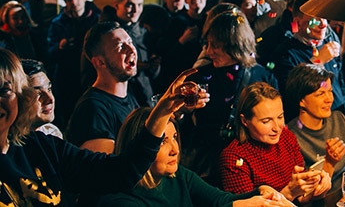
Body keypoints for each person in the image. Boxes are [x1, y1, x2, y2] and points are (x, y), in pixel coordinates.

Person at [0, 46, 205, 206]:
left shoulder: (42, 147)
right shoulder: (93, 107)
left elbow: (120, 172)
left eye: (4, 90)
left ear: (20, 96)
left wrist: (161, 112)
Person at [98, 107, 291, 207]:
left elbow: (219, 200)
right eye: (162, 142)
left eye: (175, 138)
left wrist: (260, 193)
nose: (175, 149)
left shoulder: (178, 176)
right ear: (138, 147)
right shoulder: (120, 200)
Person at [181, 11, 277, 181]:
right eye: (207, 44)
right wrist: (186, 109)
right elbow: (183, 127)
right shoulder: (199, 77)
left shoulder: (262, 77)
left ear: (235, 45)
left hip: (250, 165)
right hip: (210, 168)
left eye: (215, 45)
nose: (209, 51)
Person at [218, 82, 331, 203]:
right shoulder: (233, 157)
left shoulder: (286, 137)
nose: (277, 127)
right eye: (266, 121)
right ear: (245, 121)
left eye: (280, 117)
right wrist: (288, 193)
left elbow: (300, 199)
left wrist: (317, 191)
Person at [67, 22, 142, 153]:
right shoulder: (93, 109)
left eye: (130, 42)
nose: (131, 49)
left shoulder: (127, 96)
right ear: (99, 62)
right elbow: (102, 169)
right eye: (120, 46)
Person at [272, 0, 345, 111]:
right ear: (298, 22)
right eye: (316, 19)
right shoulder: (285, 54)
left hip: (338, 116)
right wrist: (317, 62)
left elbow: (340, 83)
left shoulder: (330, 44)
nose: (323, 25)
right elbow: (292, 95)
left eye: (324, 18)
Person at [89, 0, 160, 106]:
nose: (136, 10)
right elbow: (89, 74)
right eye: (129, 5)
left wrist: (153, 66)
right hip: (118, 100)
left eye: (139, 5)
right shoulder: (102, 36)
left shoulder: (145, 32)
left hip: (145, 98)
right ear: (117, 5)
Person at [46, 0, 100, 126]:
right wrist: (59, 46)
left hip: (92, 73)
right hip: (67, 76)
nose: (74, 2)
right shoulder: (58, 23)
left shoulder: (97, 18)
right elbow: (49, 53)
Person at [160, 0, 208, 89]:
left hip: (206, 77)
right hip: (184, 79)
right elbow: (167, 57)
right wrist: (182, 40)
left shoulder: (211, 21)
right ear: (186, 0)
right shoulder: (177, 22)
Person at [20, 59, 62, 138]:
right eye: (38, 93)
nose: (50, 99)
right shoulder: (8, 145)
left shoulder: (52, 132)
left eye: (49, 89)